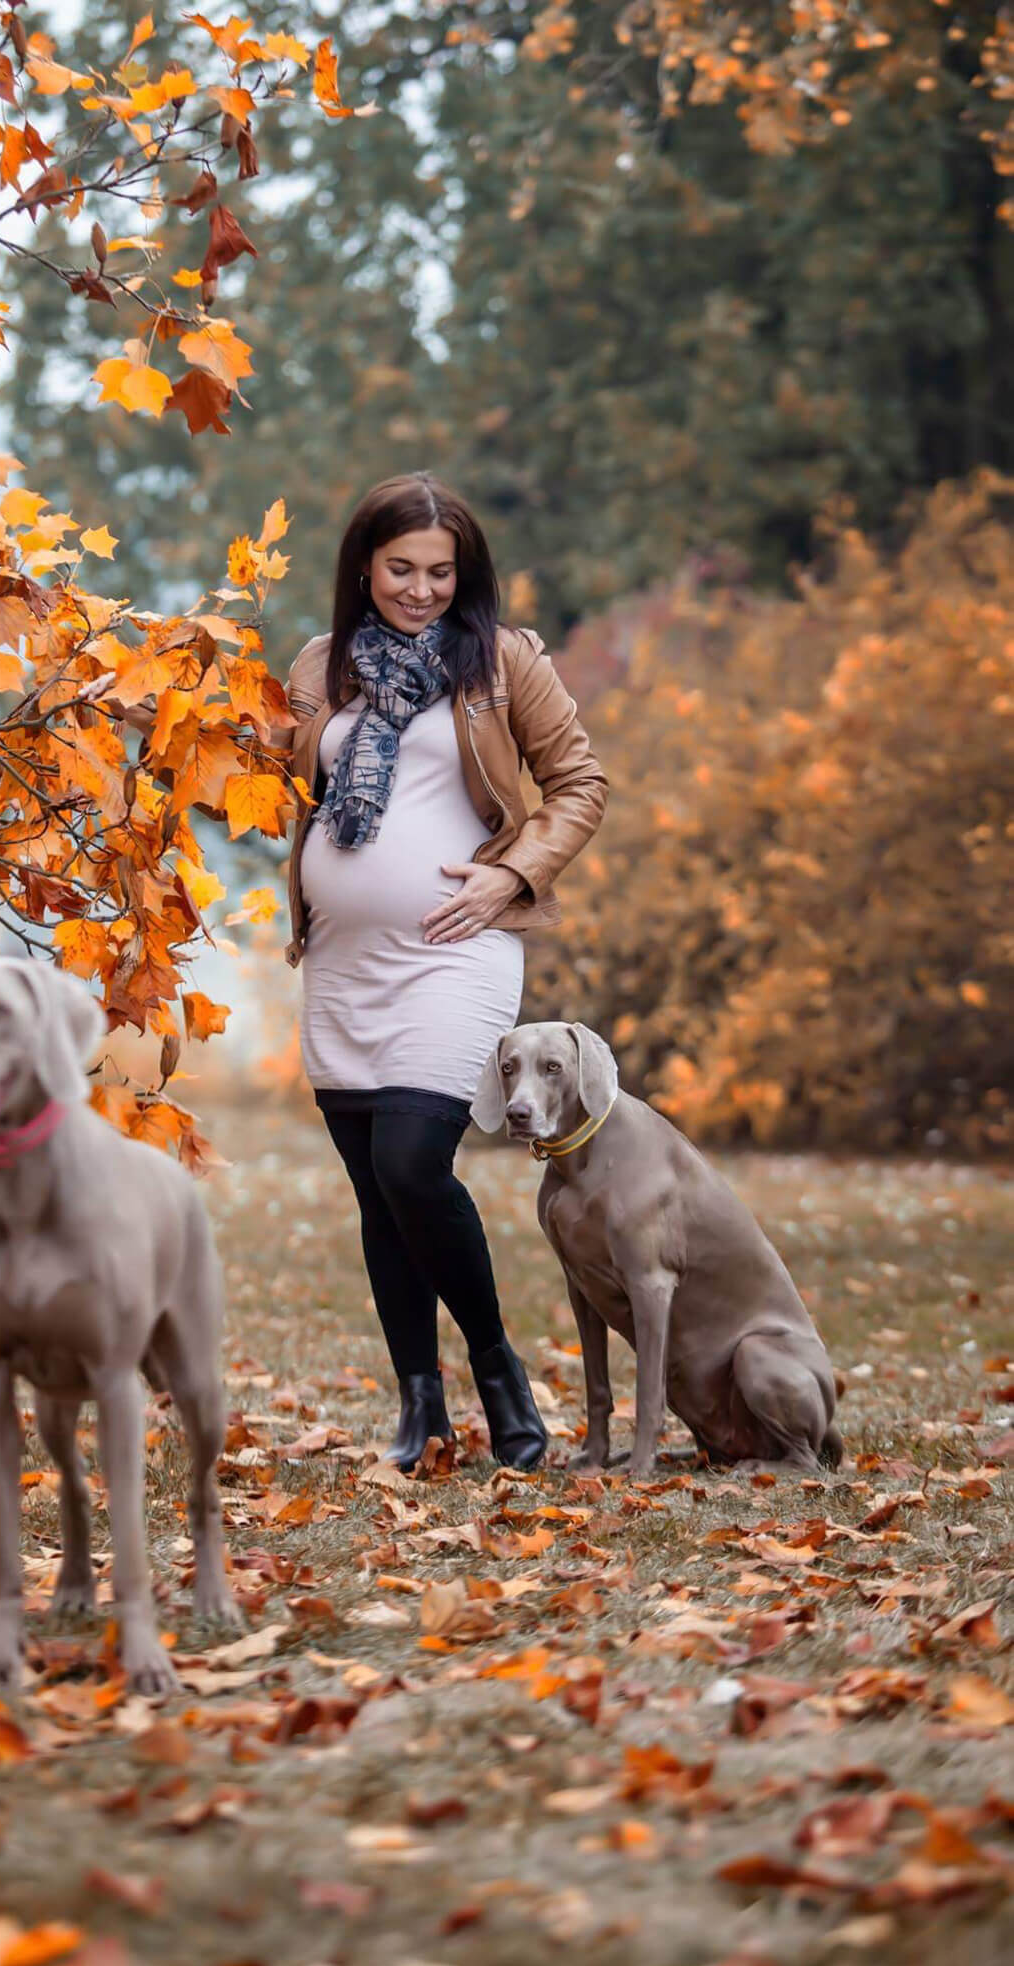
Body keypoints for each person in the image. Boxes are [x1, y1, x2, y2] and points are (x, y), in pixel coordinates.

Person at [281, 472, 608, 1470]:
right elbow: (272, 788)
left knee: (412, 1165)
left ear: (463, 575)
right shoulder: (318, 664)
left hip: (453, 952)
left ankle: (497, 1368)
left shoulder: (503, 662)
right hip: (341, 963)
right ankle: (421, 1405)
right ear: (363, 566)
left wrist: (510, 870)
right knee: (379, 1196)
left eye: (439, 571)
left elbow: (579, 783)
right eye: (399, 568)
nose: (420, 588)